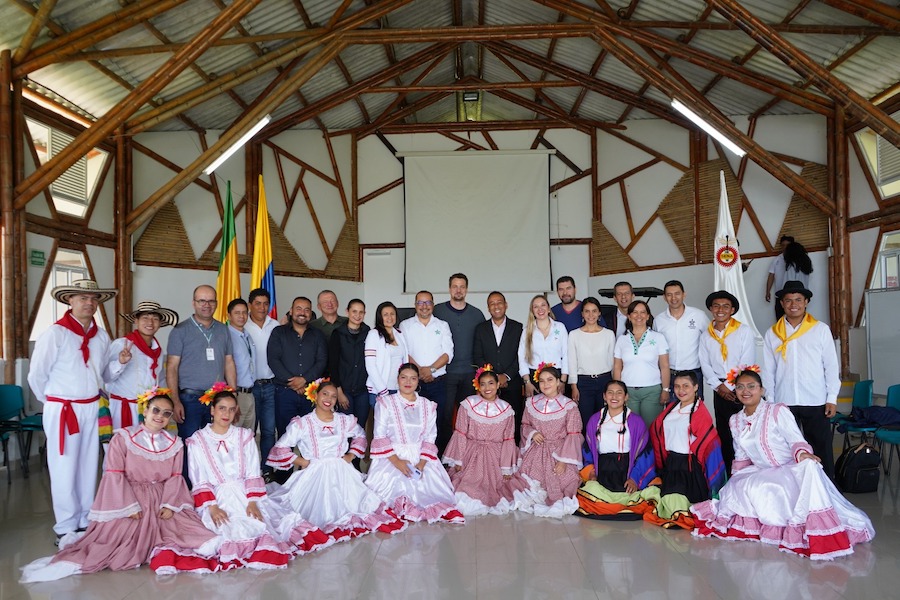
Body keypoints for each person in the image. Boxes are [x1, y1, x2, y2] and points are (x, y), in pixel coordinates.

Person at [20, 390, 224, 582]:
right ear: (145, 411)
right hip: (131, 497)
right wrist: (128, 506)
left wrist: (170, 505)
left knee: (193, 534)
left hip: (163, 497)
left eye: (166, 413)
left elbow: (175, 477)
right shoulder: (123, 438)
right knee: (122, 538)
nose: (160, 416)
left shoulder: (175, 443)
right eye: (155, 410)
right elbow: (114, 475)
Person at [691, 368, 875, 560]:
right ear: (735, 391)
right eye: (740, 387)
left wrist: (802, 454)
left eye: (751, 386)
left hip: (788, 467)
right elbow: (741, 453)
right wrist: (734, 480)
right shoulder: (735, 420)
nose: (746, 391)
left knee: (781, 482)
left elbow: (795, 439)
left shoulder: (777, 410)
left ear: (761, 390)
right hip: (759, 469)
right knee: (738, 487)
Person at [186, 387, 326, 567]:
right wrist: (212, 507)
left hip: (246, 493)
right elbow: (199, 477)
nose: (226, 413)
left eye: (231, 409)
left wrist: (253, 501)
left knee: (260, 523)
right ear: (212, 410)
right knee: (225, 528)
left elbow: (253, 470)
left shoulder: (244, 436)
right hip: (215, 498)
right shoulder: (197, 440)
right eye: (222, 408)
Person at [28, 278, 117, 541]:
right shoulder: (55, 333)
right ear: (70, 300)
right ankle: (66, 525)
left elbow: (103, 375)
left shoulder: (101, 336)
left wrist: (120, 364)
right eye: (82, 298)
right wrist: (54, 403)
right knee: (64, 465)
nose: (89, 303)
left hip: (92, 406)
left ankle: (86, 519)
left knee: (90, 465)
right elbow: (37, 376)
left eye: (93, 299)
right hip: (64, 408)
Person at [266, 379, 406, 541]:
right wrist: (303, 462)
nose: (329, 399)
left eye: (333, 396)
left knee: (357, 505)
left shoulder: (343, 420)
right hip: (314, 474)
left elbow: (360, 436)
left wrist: (350, 455)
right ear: (315, 396)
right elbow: (280, 447)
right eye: (325, 394)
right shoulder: (303, 423)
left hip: (342, 472)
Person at [365, 364, 465, 524]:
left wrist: (421, 463)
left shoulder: (428, 405)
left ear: (418, 381)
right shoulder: (385, 403)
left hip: (420, 458)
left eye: (413, 378)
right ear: (397, 380)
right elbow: (379, 436)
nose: (408, 382)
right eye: (403, 377)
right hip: (391, 457)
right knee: (387, 497)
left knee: (433, 496)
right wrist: (397, 462)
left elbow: (430, 437)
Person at [762, 280, 839, 478]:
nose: (793, 304)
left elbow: (830, 366)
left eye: (798, 299)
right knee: (788, 451)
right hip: (784, 402)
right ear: (782, 304)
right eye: (788, 300)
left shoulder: (820, 329)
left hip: (816, 400)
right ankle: (795, 491)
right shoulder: (773, 333)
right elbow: (768, 370)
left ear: (806, 302)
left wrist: (832, 397)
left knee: (821, 449)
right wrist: (770, 401)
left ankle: (828, 492)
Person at [442, 366, 530, 516]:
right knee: (466, 484)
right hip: (471, 453)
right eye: (482, 384)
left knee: (499, 486)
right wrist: (458, 460)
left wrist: (506, 466)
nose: (487, 388)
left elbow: (508, 439)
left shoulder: (506, 409)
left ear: (497, 385)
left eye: (491, 383)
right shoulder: (468, 404)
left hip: (495, 455)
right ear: (478, 386)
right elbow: (461, 433)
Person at [647, 370, 725, 529]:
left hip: (690, 469)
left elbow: (707, 444)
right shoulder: (670, 409)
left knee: (676, 503)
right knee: (665, 500)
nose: (681, 390)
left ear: (696, 387)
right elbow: (657, 432)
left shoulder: (699, 412)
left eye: (686, 386)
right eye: (677, 386)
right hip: (670, 465)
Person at [166, 285, 237, 460]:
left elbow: (229, 362)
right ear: (193, 303)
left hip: (217, 400)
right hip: (189, 400)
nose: (207, 305)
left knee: (214, 448)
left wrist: (233, 397)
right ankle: (188, 487)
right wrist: (175, 401)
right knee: (189, 447)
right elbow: (172, 367)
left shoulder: (223, 329)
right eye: (202, 301)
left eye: (211, 301)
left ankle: (209, 486)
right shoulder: (180, 330)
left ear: (216, 303)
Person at [576, 380, 657, 520]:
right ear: (604, 396)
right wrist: (591, 473)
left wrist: (634, 478)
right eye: (610, 393)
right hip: (602, 471)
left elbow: (645, 454)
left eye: (619, 393)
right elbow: (588, 450)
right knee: (589, 493)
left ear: (626, 397)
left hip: (626, 472)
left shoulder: (636, 421)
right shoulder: (595, 420)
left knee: (641, 498)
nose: (614, 396)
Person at [698, 291, 756, 475]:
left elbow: (746, 361)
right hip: (719, 389)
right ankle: (729, 474)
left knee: (744, 432)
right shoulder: (706, 335)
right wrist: (718, 386)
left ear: (732, 310)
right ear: (710, 309)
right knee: (725, 432)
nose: (720, 310)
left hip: (741, 390)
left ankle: (749, 472)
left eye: (725, 306)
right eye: (716, 306)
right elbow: (704, 363)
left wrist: (731, 387)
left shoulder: (743, 331)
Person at [517, 363, 583, 518]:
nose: (545, 384)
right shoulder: (532, 403)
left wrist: (563, 460)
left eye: (550, 380)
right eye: (541, 381)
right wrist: (532, 433)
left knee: (563, 481)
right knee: (527, 483)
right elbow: (525, 425)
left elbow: (574, 435)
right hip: (537, 450)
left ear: (559, 382)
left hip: (559, 451)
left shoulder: (569, 406)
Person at [105, 300, 178, 431]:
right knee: (122, 446)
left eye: (155, 319)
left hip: (148, 411)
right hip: (124, 408)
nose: (150, 322)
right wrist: (121, 362)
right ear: (136, 321)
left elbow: (160, 381)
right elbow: (106, 377)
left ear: (160, 324)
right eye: (145, 317)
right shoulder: (122, 344)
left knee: (146, 447)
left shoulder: (158, 351)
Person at [400, 290, 454, 453]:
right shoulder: (405, 325)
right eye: (420, 303)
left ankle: (435, 459)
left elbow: (448, 353)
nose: (424, 306)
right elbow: (405, 352)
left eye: (428, 302)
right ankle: (415, 455)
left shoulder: (442, 325)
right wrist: (419, 373)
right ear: (415, 305)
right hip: (414, 385)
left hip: (438, 382)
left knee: (438, 422)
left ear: (433, 304)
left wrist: (430, 370)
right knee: (415, 422)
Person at [267, 296, 328, 440]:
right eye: (299, 309)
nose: (303, 312)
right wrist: (294, 383)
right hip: (284, 393)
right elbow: (273, 360)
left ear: (311, 312)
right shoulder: (278, 332)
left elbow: (321, 361)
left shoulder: (318, 334)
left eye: (307, 309)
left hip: (310, 394)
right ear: (291, 311)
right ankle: (286, 463)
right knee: (285, 435)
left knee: (310, 436)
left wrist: (304, 379)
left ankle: (305, 463)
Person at [473, 292, 525, 441]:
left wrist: (506, 375)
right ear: (488, 308)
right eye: (492, 303)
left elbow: (520, 356)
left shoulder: (518, 327)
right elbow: (478, 356)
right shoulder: (481, 329)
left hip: (512, 383)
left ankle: (512, 458)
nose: (496, 306)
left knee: (513, 421)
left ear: (506, 305)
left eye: (499, 302)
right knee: (490, 422)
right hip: (488, 386)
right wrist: (494, 378)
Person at [612, 300, 670, 428]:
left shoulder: (658, 337)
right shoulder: (622, 339)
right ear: (629, 316)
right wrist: (618, 391)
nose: (639, 316)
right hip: (628, 392)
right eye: (635, 312)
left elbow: (665, 366)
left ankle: (651, 449)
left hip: (652, 391)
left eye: (643, 312)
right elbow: (617, 367)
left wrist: (666, 389)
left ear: (648, 316)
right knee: (631, 428)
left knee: (652, 428)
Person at [433, 273, 485, 407]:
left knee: (467, 414)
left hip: (470, 373)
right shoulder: (437, 311)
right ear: (449, 289)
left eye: (462, 287)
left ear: (466, 290)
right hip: (445, 372)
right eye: (455, 286)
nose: (458, 290)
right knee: (446, 414)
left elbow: (483, 344)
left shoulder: (477, 314)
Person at [568, 296, 616, 431]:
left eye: (594, 311)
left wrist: (613, 386)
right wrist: (574, 386)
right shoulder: (574, 335)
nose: (591, 315)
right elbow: (572, 361)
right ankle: (588, 450)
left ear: (599, 313)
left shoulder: (608, 334)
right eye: (587, 311)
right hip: (583, 383)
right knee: (586, 421)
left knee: (605, 420)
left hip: (604, 381)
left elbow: (613, 362)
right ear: (582, 314)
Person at [245, 288, 279, 475]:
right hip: (249, 388)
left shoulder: (275, 326)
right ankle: (250, 471)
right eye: (257, 303)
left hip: (271, 385)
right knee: (248, 432)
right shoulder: (242, 325)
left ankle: (266, 469)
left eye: (265, 303)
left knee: (268, 431)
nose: (262, 307)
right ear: (250, 305)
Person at [653, 280, 708, 387]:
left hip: (694, 373)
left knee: (696, 404)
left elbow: (711, 340)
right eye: (669, 295)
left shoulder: (698, 315)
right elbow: (655, 348)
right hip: (669, 373)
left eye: (677, 294)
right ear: (664, 297)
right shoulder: (659, 320)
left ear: (684, 294)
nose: (673, 298)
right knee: (671, 404)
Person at [328, 299, 371, 429]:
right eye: (354, 311)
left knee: (360, 428)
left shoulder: (369, 333)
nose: (357, 315)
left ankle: (358, 450)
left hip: (363, 390)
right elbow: (333, 365)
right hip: (344, 390)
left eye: (361, 312)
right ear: (347, 312)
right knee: (345, 429)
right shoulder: (338, 333)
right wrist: (339, 392)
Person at [518, 294, 568, 399]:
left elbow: (566, 355)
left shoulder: (560, 327)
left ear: (549, 308)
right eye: (536, 306)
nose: (540, 309)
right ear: (532, 311)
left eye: (543, 305)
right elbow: (522, 358)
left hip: (556, 377)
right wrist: (527, 382)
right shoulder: (527, 331)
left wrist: (563, 380)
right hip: (534, 378)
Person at [364, 301, 408, 405]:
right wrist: (383, 391)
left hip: (398, 389)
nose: (390, 317)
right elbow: (370, 366)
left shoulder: (399, 334)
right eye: (385, 314)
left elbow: (404, 360)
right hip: (381, 390)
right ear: (380, 317)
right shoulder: (373, 334)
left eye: (392, 314)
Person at [226, 298, 257, 430]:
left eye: (244, 312)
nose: (242, 316)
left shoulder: (246, 335)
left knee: (247, 437)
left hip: (250, 393)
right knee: (233, 436)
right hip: (235, 393)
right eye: (237, 313)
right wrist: (232, 395)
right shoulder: (226, 335)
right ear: (229, 315)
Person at [765, 235, 794, 317]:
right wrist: (767, 291)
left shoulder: (797, 259)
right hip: (780, 295)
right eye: (783, 245)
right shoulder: (777, 260)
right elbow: (771, 275)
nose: (785, 247)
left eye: (787, 245)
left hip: (793, 295)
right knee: (780, 320)